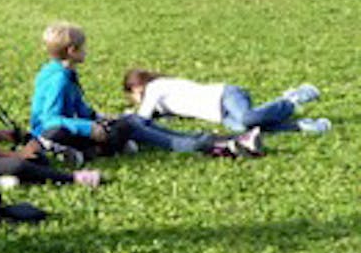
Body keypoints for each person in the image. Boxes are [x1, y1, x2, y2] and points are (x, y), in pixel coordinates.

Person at [30, 22, 261, 163]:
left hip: (70, 130)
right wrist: (88, 127)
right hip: (55, 135)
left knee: (129, 122)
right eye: (83, 47)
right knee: (132, 126)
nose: (86, 51)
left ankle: (215, 140)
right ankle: (211, 145)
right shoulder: (57, 79)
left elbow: (78, 108)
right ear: (71, 51)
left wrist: (98, 117)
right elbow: (49, 119)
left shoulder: (65, 73)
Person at [0, 36, 101, 188]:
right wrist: (18, 154)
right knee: (19, 165)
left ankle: (2, 179)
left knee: (37, 157)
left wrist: (10, 136)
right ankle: (74, 178)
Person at [123, 69, 329, 135]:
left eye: (131, 94)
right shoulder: (160, 102)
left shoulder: (155, 88)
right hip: (220, 114)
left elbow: (143, 118)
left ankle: (292, 99)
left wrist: (126, 118)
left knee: (249, 118)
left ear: (136, 88)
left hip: (224, 96)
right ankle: (303, 126)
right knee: (246, 129)